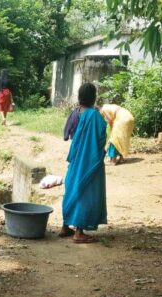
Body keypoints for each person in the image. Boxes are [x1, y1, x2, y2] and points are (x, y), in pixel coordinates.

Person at [59, 83, 108, 243]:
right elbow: (101, 136)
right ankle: (79, 232)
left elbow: (67, 134)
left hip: (76, 158)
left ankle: (65, 226)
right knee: (85, 192)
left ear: (80, 97)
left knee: (72, 188)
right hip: (89, 159)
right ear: (93, 98)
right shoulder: (94, 115)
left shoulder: (75, 112)